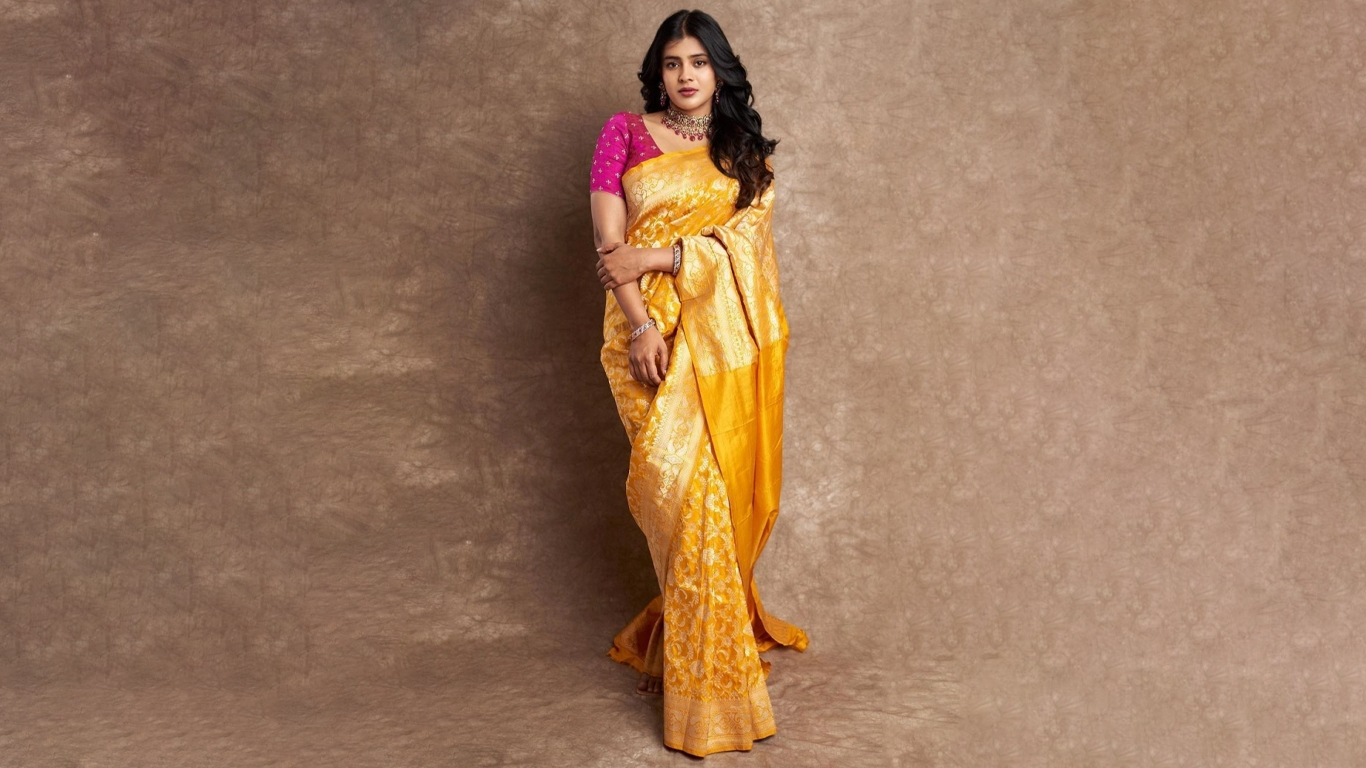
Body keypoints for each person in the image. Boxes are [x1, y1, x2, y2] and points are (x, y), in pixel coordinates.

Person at [588, 9, 810, 758]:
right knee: (677, 499)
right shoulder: (623, 133)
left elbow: (748, 251)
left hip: (718, 343)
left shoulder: (742, 152)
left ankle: (708, 683)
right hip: (644, 341)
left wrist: (663, 258)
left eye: (699, 62)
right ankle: (699, 661)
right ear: (659, 71)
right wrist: (642, 327)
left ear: (720, 71)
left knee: (708, 510)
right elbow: (610, 248)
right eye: (673, 62)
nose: (686, 75)